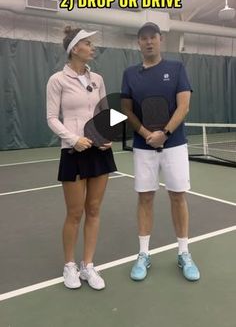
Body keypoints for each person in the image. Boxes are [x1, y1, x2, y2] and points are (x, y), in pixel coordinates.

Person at [121, 22, 200, 282]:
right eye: (143, 38)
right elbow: (127, 110)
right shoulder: (130, 74)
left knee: (178, 196)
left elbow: (183, 106)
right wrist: (146, 135)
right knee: (145, 198)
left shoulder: (177, 68)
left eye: (152, 37)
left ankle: (184, 253)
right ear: (138, 43)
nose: (148, 42)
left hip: (174, 145)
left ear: (160, 39)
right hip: (143, 147)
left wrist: (164, 134)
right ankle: (143, 254)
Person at [46, 26, 117, 290]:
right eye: (88, 43)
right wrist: (74, 139)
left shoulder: (97, 78)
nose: (93, 47)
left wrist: (107, 134)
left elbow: (104, 112)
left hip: (100, 151)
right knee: (75, 213)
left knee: (94, 210)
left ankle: (88, 265)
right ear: (75, 49)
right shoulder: (57, 80)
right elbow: (51, 118)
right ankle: (70, 266)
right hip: (73, 152)